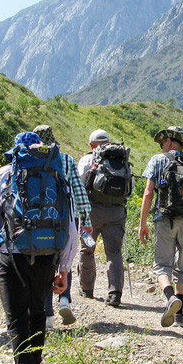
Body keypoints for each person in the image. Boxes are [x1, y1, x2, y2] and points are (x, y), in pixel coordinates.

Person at [0, 131, 78, 364]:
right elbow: (71, 224)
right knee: (38, 314)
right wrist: (63, 267)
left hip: (12, 255)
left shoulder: (4, 173)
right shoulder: (56, 172)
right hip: (46, 256)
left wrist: (0, 255)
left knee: (16, 320)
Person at [138, 126, 183, 328]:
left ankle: (170, 297)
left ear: (170, 141)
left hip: (165, 217)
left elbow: (148, 193)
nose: (162, 146)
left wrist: (142, 223)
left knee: (163, 264)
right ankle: (179, 315)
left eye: (163, 142)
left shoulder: (157, 160)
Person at [32, 124, 92, 327]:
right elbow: (78, 190)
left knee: (45, 262)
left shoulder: (31, 159)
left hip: (39, 219)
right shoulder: (65, 158)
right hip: (66, 217)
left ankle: (47, 315)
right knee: (64, 259)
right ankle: (64, 299)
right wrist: (86, 221)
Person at [77, 128, 131, 306]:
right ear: (108, 141)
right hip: (116, 212)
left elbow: (78, 185)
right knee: (114, 252)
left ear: (92, 144)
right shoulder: (121, 160)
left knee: (87, 249)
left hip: (91, 213)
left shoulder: (87, 159)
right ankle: (115, 292)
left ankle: (87, 289)